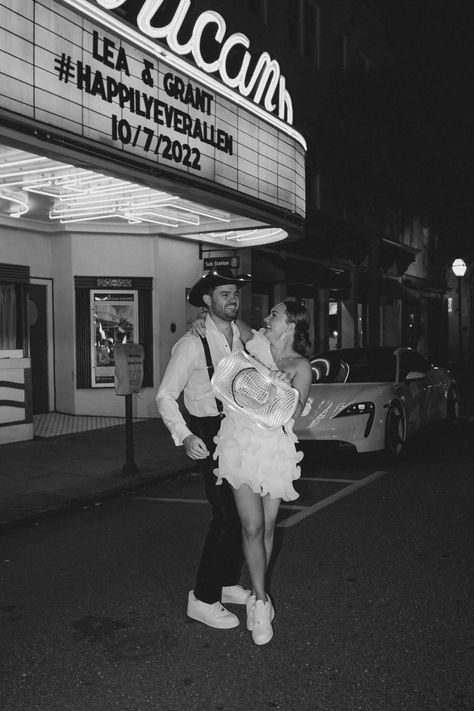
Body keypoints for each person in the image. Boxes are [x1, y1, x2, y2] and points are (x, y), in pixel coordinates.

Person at [192, 300, 312, 645]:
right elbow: (225, 319)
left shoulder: (300, 365)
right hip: (241, 444)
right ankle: (259, 602)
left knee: (269, 527)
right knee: (252, 525)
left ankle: (261, 598)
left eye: (274, 313)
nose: (267, 317)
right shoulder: (254, 343)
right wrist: (201, 318)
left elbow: (296, 410)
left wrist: (280, 385)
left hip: (275, 450)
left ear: (290, 325)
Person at [156, 267, 253, 630]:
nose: (233, 299)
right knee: (225, 514)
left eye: (235, 293)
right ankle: (203, 598)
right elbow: (165, 395)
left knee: (239, 513)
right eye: (224, 294)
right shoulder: (191, 344)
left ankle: (227, 583)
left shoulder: (239, 338)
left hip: (238, 429)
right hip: (209, 431)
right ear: (208, 300)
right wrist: (184, 435)